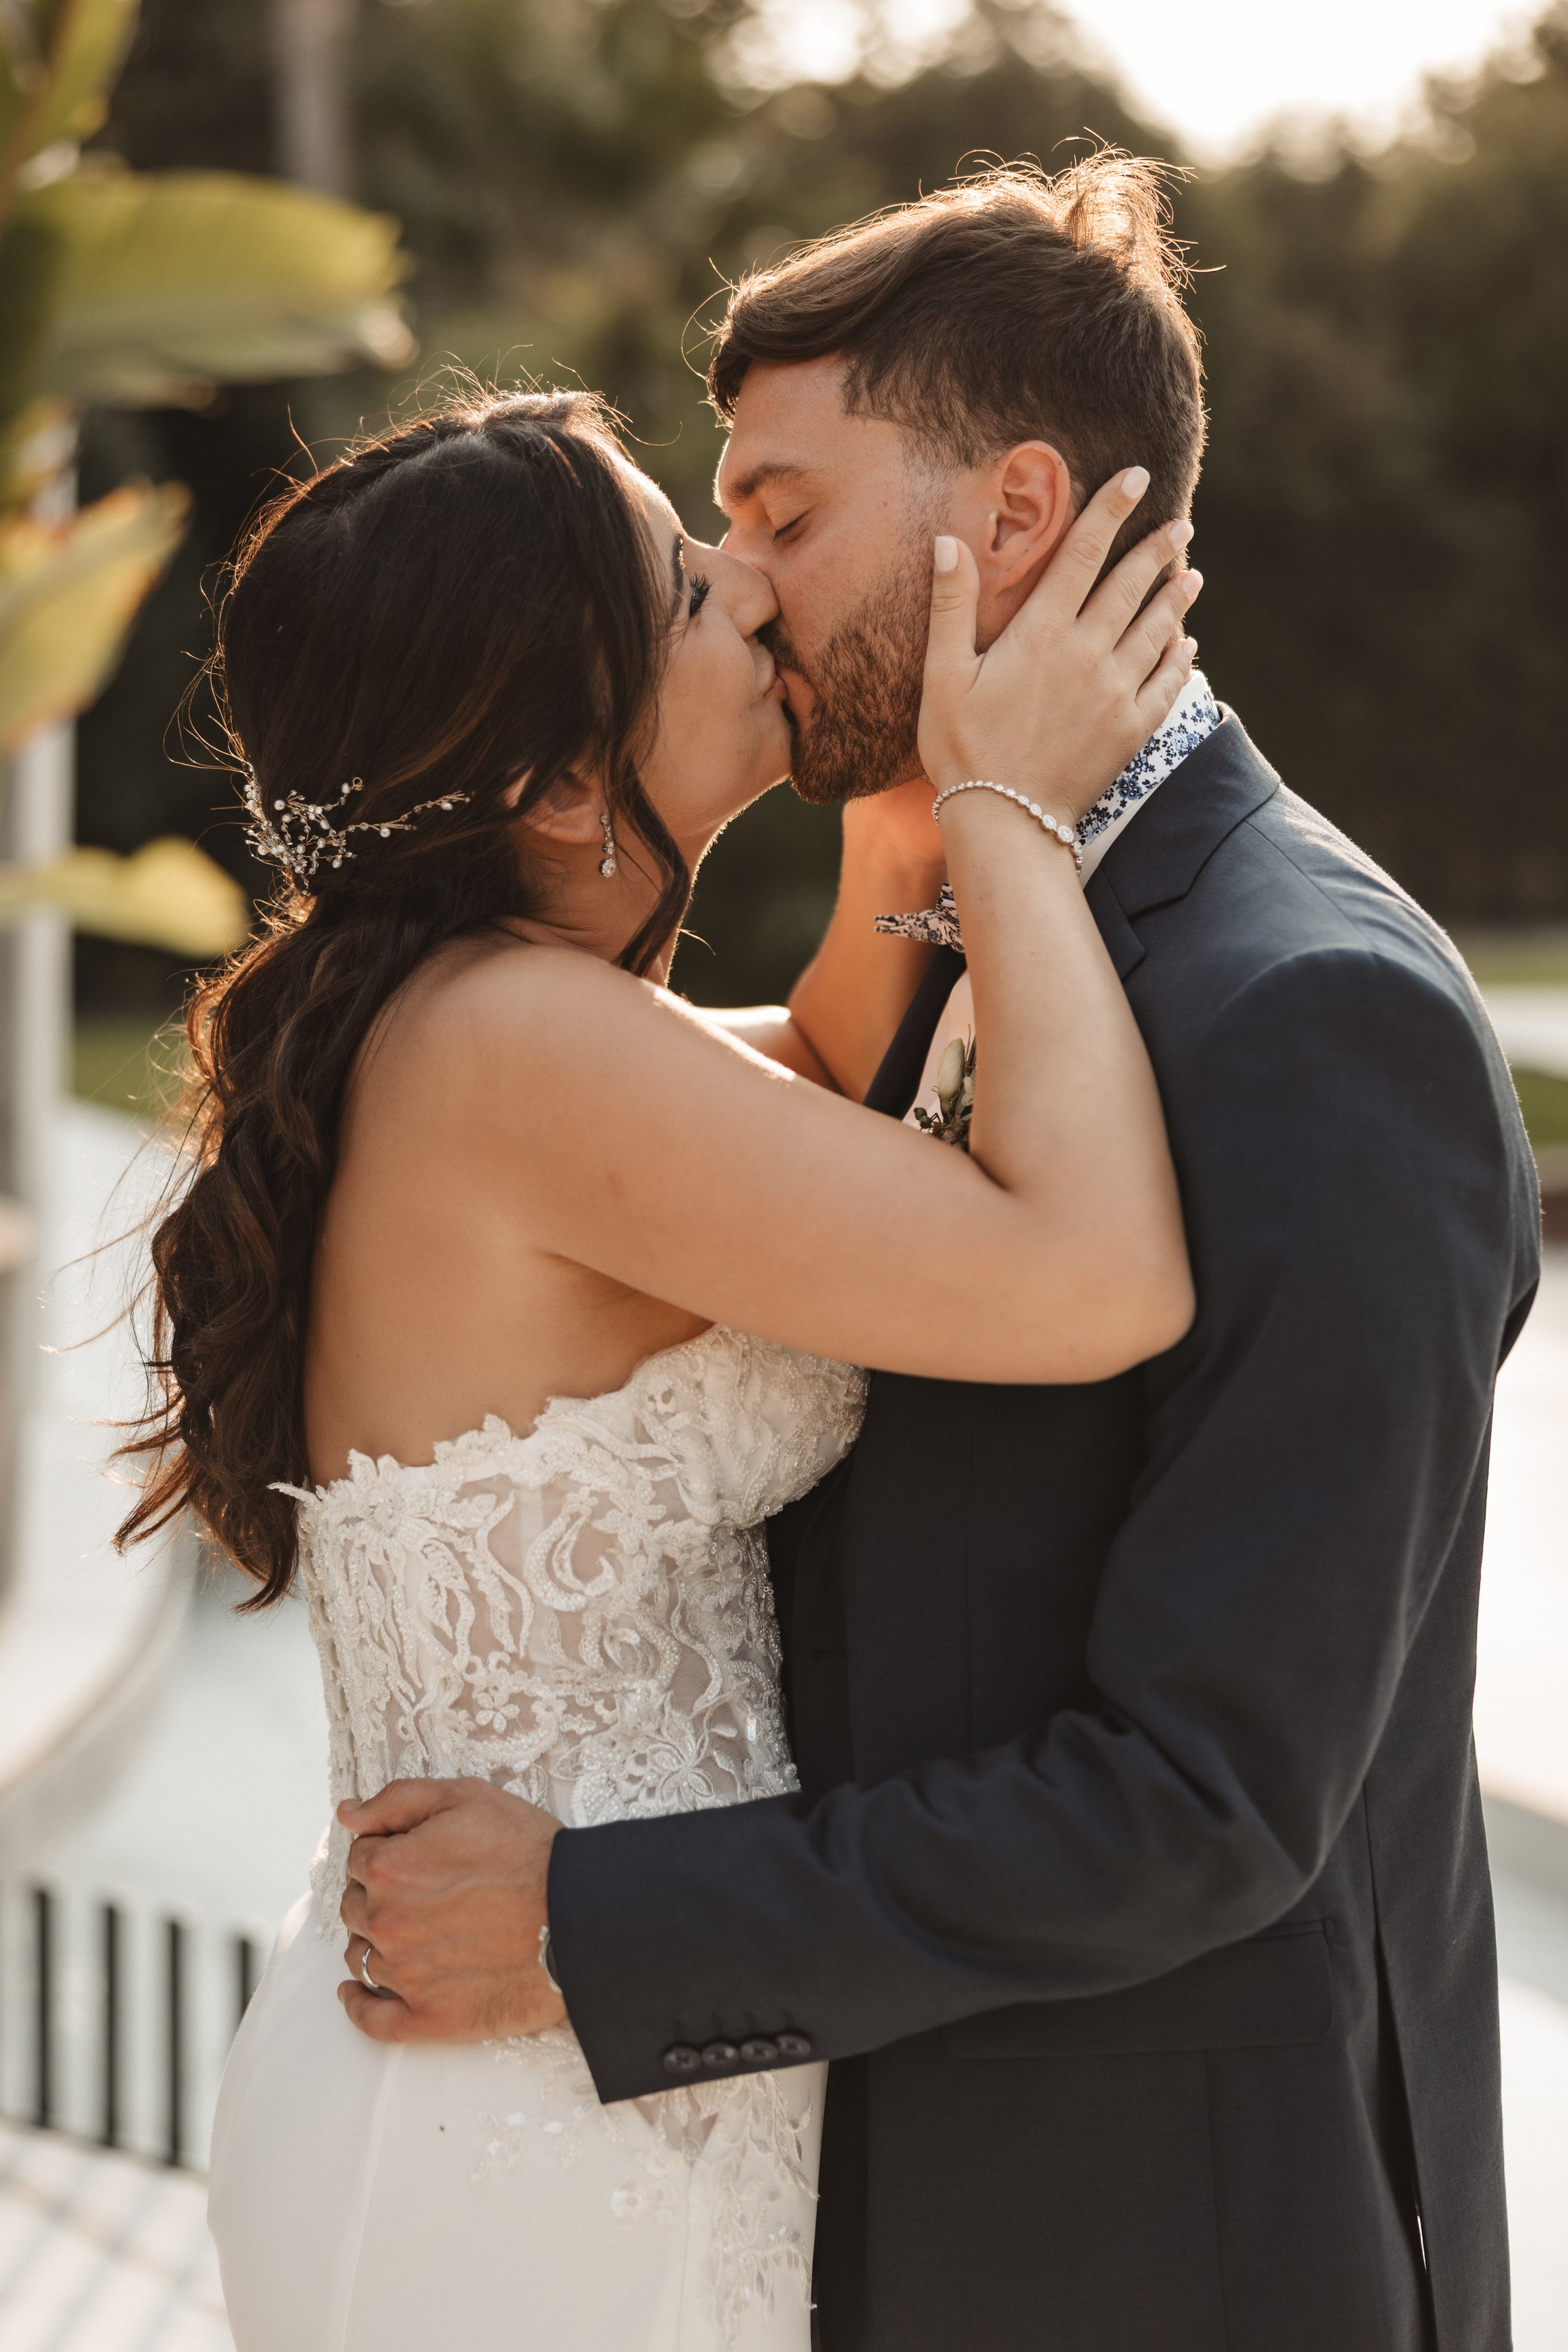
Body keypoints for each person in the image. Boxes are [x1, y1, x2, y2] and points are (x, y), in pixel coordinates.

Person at [335, 160, 1540, 2352]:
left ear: (1013, 515)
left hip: (1166, 2262)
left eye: (785, 515)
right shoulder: (918, 932)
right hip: (805, 2203)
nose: (745, 587)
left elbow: (1209, 1801)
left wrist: (598, 1924)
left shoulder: (1310, 1018)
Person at [116, 377, 1199, 2348]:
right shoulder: (520, 1055)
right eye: (693, 585)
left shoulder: (504, 1023)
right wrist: (1009, 807)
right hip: (506, 2145)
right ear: (549, 783)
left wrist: (919, 700)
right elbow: (1097, 1277)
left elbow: (850, 1041)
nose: (754, 590)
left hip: (555, 2081)